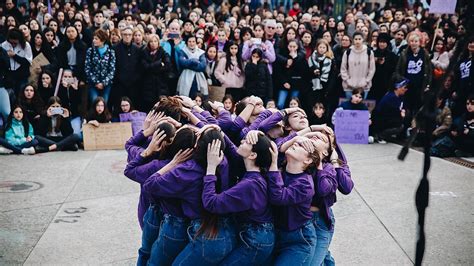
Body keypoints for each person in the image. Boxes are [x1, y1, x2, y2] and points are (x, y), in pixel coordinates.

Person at [202, 130, 275, 264]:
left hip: (255, 241)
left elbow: (211, 203)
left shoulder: (250, 185)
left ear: (252, 155)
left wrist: (211, 167)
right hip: (256, 234)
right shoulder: (254, 172)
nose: (241, 141)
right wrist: (219, 131)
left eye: (246, 142)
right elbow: (231, 148)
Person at [267, 137, 317, 265]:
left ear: (308, 160)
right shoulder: (281, 169)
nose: (295, 144)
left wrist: (273, 165)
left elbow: (278, 197)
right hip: (277, 234)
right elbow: (276, 145)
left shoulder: (305, 184)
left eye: (301, 146)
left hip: (298, 239)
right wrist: (296, 137)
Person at [395, 31, 432, 117]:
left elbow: (429, 71)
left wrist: (427, 84)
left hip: (419, 86)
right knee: (406, 108)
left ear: (419, 42)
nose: (414, 43)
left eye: (416, 41)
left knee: (417, 108)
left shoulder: (424, 54)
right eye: (411, 41)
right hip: (406, 86)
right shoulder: (404, 53)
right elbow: (398, 70)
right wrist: (401, 81)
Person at [112, 26, 142, 112]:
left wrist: (135, 78)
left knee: (133, 107)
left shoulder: (137, 49)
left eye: (129, 34)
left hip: (134, 84)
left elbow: (139, 67)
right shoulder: (115, 48)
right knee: (119, 107)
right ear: (121, 35)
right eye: (125, 34)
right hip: (119, 84)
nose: (127, 36)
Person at [340, 31, 376, 99]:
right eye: (356, 39)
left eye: (359, 39)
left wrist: (366, 81)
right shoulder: (348, 52)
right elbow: (343, 68)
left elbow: (372, 69)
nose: (357, 41)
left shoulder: (369, 52)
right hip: (349, 86)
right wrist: (347, 80)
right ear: (353, 40)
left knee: (361, 108)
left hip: (364, 86)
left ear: (363, 39)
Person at [372, 77, 409, 143]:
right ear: (398, 87)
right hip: (382, 120)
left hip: (389, 118)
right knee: (400, 125)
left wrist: (403, 111)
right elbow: (392, 112)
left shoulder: (400, 96)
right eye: (404, 87)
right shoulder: (391, 97)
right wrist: (401, 114)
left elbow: (403, 107)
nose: (406, 89)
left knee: (404, 119)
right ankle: (380, 135)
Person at [141, 34, 171, 112]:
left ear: (158, 42)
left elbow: (167, 66)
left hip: (161, 85)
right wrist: (159, 63)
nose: (153, 43)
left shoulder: (163, 52)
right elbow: (145, 67)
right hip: (148, 86)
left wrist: (153, 67)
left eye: (155, 41)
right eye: (151, 41)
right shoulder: (144, 53)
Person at [85, 29, 116, 105]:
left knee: (104, 104)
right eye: (93, 38)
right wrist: (96, 82)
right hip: (93, 83)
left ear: (102, 40)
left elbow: (112, 70)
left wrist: (104, 83)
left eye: (96, 39)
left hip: (106, 84)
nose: (94, 41)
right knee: (94, 102)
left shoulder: (111, 52)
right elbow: (87, 68)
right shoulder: (90, 51)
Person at [2, 28, 33, 98]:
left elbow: (28, 62)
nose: (13, 45)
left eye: (15, 43)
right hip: (8, 74)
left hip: (22, 74)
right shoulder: (3, 45)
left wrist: (14, 56)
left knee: (21, 95)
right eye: (11, 43)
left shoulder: (26, 45)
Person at [369, 33, 398, 103]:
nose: (382, 44)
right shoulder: (373, 53)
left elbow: (394, 69)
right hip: (374, 83)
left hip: (387, 84)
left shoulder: (392, 55)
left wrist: (385, 64)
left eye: (384, 42)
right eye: (380, 42)